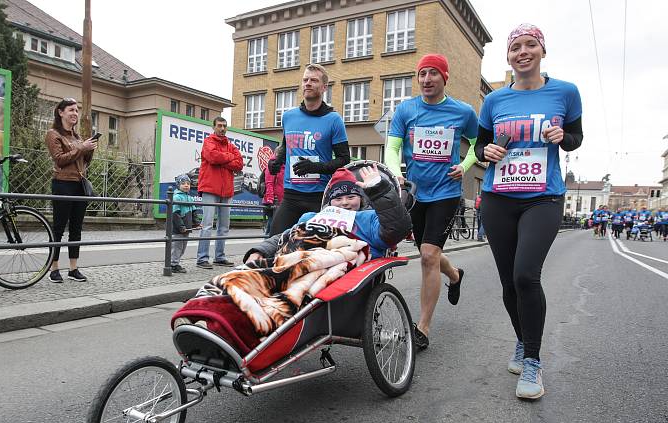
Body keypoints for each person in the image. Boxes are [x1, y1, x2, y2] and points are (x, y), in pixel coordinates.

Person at [475, 23, 583, 400]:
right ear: (508, 56)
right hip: (498, 197)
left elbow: (576, 137)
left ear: (541, 50)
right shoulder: (495, 101)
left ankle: (533, 362)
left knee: (525, 276)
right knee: (508, 282)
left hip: (543, 197)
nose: (523, 51)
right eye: (515, 47)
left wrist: (562, 138)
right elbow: (481, 146)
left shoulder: (565, 93)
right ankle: (522, 341)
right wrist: (484, 152)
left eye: (530, 45)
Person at [384, 53, 478, 350]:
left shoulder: (463, 112)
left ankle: (422, 327)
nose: (426, 79)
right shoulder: (406, 110)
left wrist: (463, 167)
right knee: (431, 253)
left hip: (446, 194)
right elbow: (392, 146)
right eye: (422, 74)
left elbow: (478, 145)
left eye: (433, 74)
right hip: (415, 194)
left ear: (444, 77)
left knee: (427, 255)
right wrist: (396, 172)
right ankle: (454, 274)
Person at [246, 165, 411, 262]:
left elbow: (396, 229)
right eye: (338, 198)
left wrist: (378, 188)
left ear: (361, 199)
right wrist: (259, 251)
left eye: (351, 197)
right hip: (304, 263)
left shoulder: (371, 219)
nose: (345, 202)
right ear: (329, 202)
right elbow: (286, 236)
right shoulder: (312, 217)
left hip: (351, 275)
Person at [267, 63, 350, 236]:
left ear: (324, 87)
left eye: (313, 80)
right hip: (291, 196)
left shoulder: (334, 119)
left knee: (314, 249)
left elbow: (344, 159)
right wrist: (277, 162)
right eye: (305, 80)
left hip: (318, 197)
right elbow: (285, 146)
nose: (308, 83)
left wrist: (315, 167)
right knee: (275, 241)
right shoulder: (289, 116)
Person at [45, 97, 98, 283]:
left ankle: (73, 268)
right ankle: (54, 268)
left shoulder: (77, 137)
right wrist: (81, 148)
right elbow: (59, 159)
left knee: (76, 228)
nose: (75, 113)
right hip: (62, 183)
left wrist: (88, 149)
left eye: (77, 110)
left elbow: (83, 162)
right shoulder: (53, 134)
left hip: (79, 184)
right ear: (61, 113)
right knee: (58, 228)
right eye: (71, 110)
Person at [196, 117, 244, 269]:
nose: (222, 128)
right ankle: (202, 258)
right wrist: (229, 158)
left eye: (224, 126)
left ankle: (219, 257)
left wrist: (224, 159)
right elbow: (213, 157)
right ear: (214, 127)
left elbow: (240, 163)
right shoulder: (208, 142)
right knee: (207, 225)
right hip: (210, 187)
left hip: (226, 190)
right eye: (219, 126)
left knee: (224, 226)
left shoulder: (230, 145)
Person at [170, 175, 196, 273]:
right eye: (183, 183)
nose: (186, 185)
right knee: (177, 247)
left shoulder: (190, 198)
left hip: (187, 228)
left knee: (183, 248)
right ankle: (173, 264)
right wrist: (181, 226)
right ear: (178, 185)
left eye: (188, 184)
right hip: (178, 228)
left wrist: (196, 223)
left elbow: (194, 211)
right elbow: (175, 214)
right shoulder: (176, 197)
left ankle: (176, 263)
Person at [261, 152, 285, 235]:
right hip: (273, 201)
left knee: (276, 227)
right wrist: (270, 200)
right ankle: (265, 247)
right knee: (271, 227)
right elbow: (269, 183)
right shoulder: (273, 164)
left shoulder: (285, 165)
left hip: (282, 201)